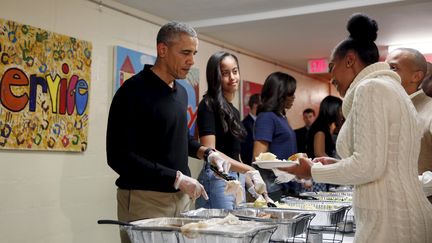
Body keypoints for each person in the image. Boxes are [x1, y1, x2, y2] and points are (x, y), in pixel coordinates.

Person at [280, 13, 432, 242]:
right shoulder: (391, 89)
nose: (331, 77)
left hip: (391, 221)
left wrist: (311, 171)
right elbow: (383, 161)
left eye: (332, 67)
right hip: (401, 214)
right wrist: (338, 165)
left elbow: (368, 166)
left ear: (349, 60)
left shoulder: (370, 89)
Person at [106, 21, 230, 243]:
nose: (191, 60)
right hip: (146, 199)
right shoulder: (133, 91)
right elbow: (118, 156)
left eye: (194, 53)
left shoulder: (181, 93)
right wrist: (176, 178)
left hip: (181, 198)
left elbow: (180, 138)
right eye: (185, 53)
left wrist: (208, 154)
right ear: (162, 50)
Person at [195, 51, 267, 210]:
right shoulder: (208, 105)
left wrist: (253, 185)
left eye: (235, 71)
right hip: (217, 177)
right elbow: (210, 151)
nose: (232, 77)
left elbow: (236, 156)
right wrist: (250, 169)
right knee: (224, 230)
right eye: (225, 73)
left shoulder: (233, 110)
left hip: (235, 178)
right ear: (215, 77)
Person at [385, 48, 432, 203]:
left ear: (416, 76)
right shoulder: (388, 111)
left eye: (393, 68)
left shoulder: (429, 112)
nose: (385, 73)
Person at [252, 71, 298, 200]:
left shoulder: (280, 117)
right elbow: (258, 157)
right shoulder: (267, 117)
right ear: (280, 94)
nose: (294, 97)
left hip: (284, 184)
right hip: (272, 186)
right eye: (291, 93)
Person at [305, 95, 343, 192]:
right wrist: (337, 166)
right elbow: (319, 153)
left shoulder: (324, 126)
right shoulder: (320, 129)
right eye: (339, 110)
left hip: (318, 173)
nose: (341, 113)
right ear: (332, 110)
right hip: (316, 176)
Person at [241, 93, 261, 165]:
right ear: (255, 105)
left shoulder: (260, 122)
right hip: (249, 165)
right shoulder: (245, 124)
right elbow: (245, 150)